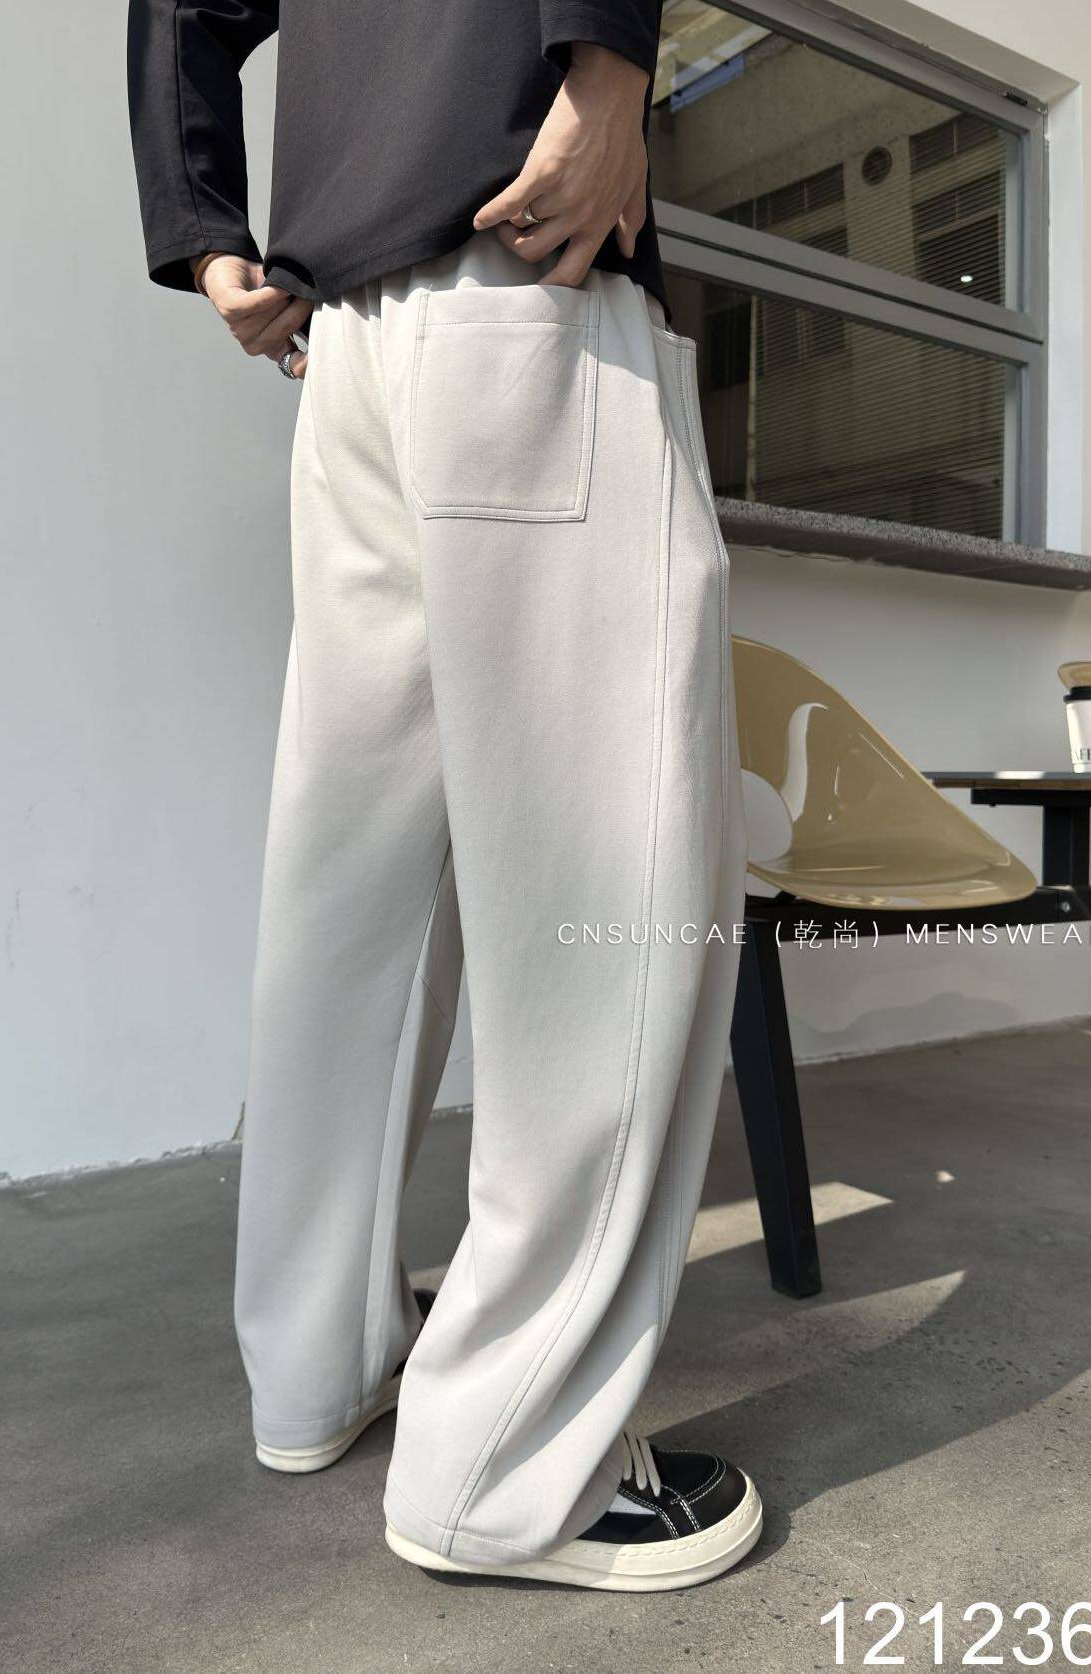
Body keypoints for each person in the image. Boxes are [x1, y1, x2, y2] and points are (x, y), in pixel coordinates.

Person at [127, 0, 760, 1590]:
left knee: (352, 892)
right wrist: (607, 63)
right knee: (611, 899)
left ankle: (313, 1365)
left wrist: (204, 228)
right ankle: (509, 1466)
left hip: (343, 341)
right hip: (525, 269)